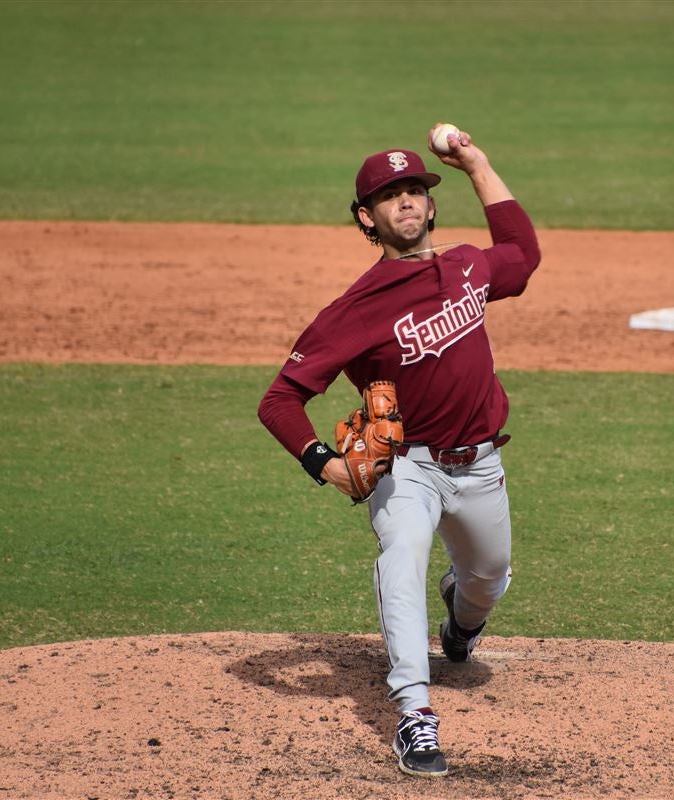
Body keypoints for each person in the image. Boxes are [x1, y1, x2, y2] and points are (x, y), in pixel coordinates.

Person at [257, 123, 541, 778]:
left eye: (414, 189)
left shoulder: (469, 265)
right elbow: (279, 399)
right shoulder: (354, 310)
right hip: (406, 467)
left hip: (480, 464)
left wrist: (477, 163)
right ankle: (414, 714)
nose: (406, 202)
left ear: (431, 204)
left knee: (488, 579)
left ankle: (462, 622)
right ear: (367, 217)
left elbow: (522, 255)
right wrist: (325, 463)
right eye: (390, 196)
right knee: (403, 551)